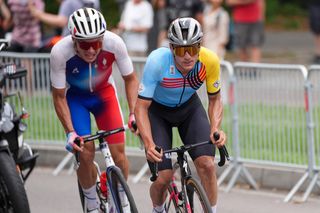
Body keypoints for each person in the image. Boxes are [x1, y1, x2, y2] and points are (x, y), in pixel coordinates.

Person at [50, 7, 139, 213]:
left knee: (119, 154)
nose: (91, 50)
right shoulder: (60, 52)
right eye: (84, 44)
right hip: (76, 100)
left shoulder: (114, 42)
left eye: (96, 43)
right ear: (73, 40)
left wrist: (133, 113)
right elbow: (59, 96)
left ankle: (122, 199)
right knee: (86, 152)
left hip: (104, 96)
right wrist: (70, 132)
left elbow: (131, 79)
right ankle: (91, 200)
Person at [135, 17, 227, 213]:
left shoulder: (209, 60)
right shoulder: (157, 62)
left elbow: (215, 100)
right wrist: (149, 143)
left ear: (200, 46)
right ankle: (158, 209)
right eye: (180, 49)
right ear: (171, 48)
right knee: (163, 178)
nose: (187, 56)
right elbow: (141, 107)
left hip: (189, 109)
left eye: (193, 49)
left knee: (207, 166)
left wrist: (215, 128)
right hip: (157, 113)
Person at [28, 0, 100, 37]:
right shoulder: (94, 0)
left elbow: (61, 21)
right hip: (92, 39)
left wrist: (38, 15)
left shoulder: (69, 2)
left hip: (72, 41)